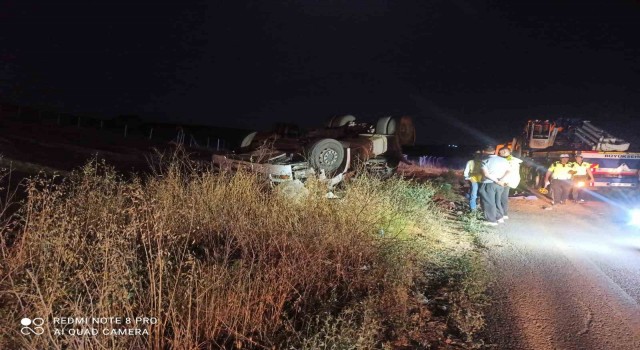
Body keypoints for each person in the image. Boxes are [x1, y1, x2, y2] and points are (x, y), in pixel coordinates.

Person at [479, 146, 510, 226]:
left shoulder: (484, 161)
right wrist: (501, 180)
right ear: (494, 151)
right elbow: (508, 171)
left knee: (488, 201)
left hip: (489, 183)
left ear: (484, 151)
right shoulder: (504, 160)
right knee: (497, 201)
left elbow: (486, 174)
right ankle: (499, 217)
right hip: (501, 184)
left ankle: (491, 221)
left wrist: (496, 180)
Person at [497, 147, 523, 220]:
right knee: (504, 198)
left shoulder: (510, 161)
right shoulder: (512, 160)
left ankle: (501, 215)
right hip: (507, 181)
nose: (499, 154)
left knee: (499, 198)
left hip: (504, 181)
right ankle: (504, 214)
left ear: (505, 152)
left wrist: (500, 180)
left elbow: (508, 172)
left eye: (500, 153)